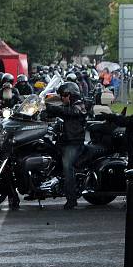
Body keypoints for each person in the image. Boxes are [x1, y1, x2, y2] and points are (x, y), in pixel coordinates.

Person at [45, 82, 87, 210]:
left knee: (67, 166)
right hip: (63, 141)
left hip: (74, 143)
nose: (62, 98)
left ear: (72, 95)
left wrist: (54, 108)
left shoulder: (79, 105)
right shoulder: (65, 106)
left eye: (64, 95)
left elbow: (71, 112)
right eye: (61, 95)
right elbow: (57, 113)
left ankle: (71, 199)